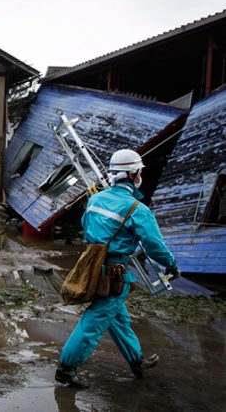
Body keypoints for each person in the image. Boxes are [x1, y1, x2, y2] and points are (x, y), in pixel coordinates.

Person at [55, 149, 181, 388]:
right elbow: (154, 246)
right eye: (140, 171)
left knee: (118, 319)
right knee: (94, 321)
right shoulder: (138, 210)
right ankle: (66, 368)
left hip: (92, 267)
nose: (141, 174)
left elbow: (86, 226)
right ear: (133, 175)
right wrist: (171, 266)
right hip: (114, 275)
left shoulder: (94, 200)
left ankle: (137, 361)